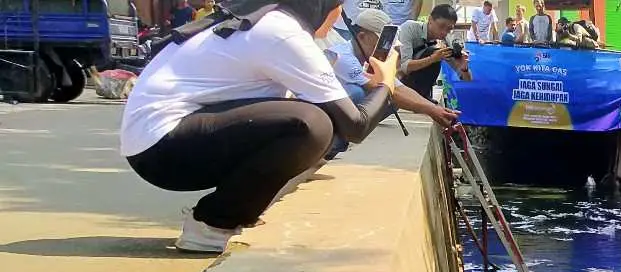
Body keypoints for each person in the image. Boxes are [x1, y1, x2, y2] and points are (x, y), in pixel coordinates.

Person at [120, 0, 398, 253]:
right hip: (162, 147)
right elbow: (355, 126)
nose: (339, 18)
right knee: (312, 125)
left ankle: (232, 208)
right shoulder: (283, 33)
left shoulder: (267, 22)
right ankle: (212, 224)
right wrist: (387, 83)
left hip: (156, 140)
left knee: (313, 114)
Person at [321, 8, 460, 161]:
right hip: (319, 115)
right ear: (362, 37)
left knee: (387, 101)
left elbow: (397, 87)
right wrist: (431, 110)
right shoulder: (342, 57)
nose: (388, 48)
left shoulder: (369, 61)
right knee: (357, 93)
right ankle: (331, 146)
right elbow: (387, 90)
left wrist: (434, 108)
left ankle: (344, 139)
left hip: (338, 115)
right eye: (383, 43)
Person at [396, 4, 472, 100]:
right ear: (430, 19)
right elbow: (405, 67)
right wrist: (433, 58)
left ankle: (423, 97)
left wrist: (464, 67)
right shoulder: (409, 28)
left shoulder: (446, 40)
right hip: (397, 82)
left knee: (436, 51)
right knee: (433, 51)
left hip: (419, 87)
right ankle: (420, 97)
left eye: (449, 29)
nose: (444, 32)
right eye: (441, 26)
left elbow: (467, 80)